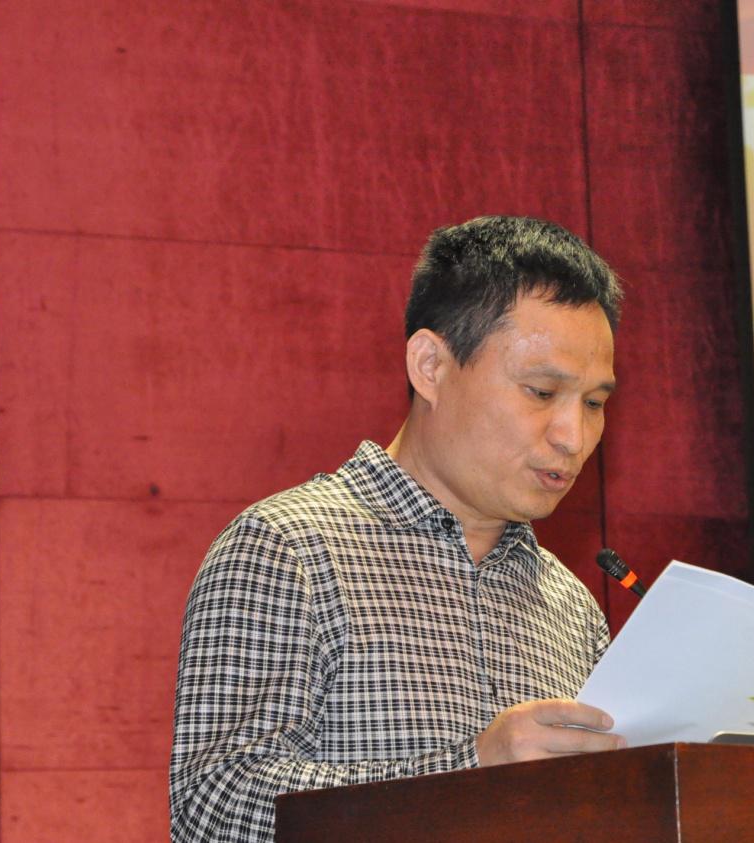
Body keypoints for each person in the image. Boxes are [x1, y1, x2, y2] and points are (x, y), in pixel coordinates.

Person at [169, 216, 627, 841]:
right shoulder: (287, 549)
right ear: (430, 365)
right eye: (541, 391)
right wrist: (468, 775)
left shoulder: (570, 605)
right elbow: (213, 809)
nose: (573, 436)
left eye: (595, 404)